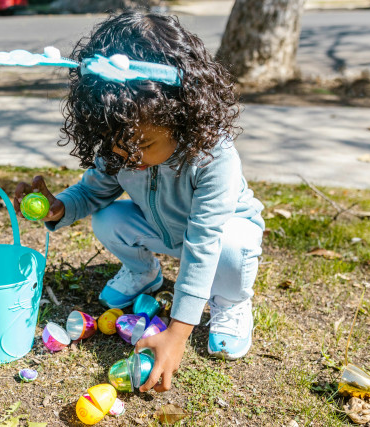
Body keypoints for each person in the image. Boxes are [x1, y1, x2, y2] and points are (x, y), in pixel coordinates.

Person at [13, 11, 264, 393]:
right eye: (116, 144)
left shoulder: (214, 158)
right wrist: (58, 206)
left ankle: (229, 301)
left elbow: (203, 243)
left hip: (220, 239)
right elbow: (92, 192)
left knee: (230, 247)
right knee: (108, 216)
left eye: (144, 145)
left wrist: (177, 333)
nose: (129, 156)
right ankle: (145, 273)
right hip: (164, 232)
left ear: (181, 115)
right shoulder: (124, 144)